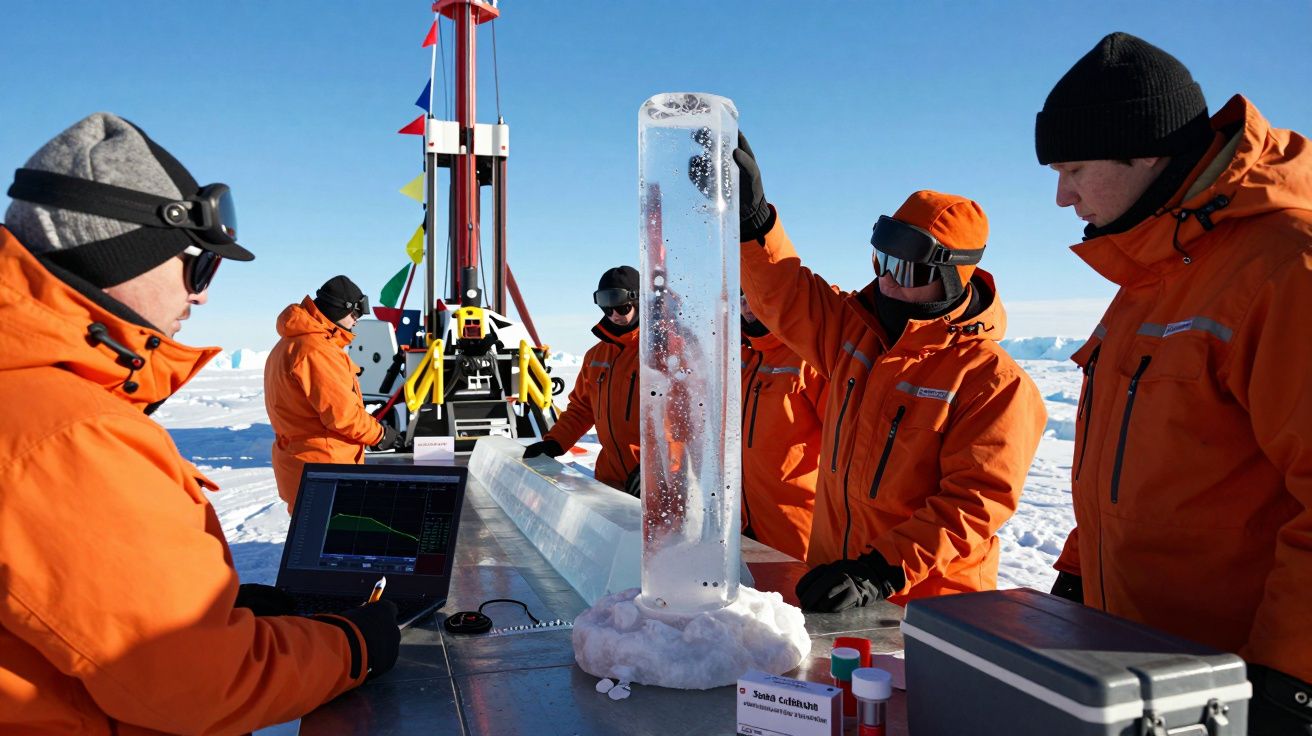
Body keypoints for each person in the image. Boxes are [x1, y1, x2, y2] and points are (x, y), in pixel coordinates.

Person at [0, 113, 399, 734]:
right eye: (198, 267)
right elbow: (202, 683)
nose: (203, 295)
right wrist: (354, 645)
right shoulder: (71, 435)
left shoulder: (32, 395)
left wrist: (217, 607)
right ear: (124, 257)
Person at [1036, 32, 1312, 733]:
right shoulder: (1151, 276)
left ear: (1146, 149)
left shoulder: (1285, 269)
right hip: (1139, 677)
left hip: (1234, 687)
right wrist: (1076, 578)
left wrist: (1290, 680)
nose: (1062, 196)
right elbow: (1134, 469)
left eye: (1073, 168)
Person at [727, 140, 1046, 612]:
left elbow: (974, 504)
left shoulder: (991, 381)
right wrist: (755, 225)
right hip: (834, 586)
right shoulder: (856, 338)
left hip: (931, 608)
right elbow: (787, 294)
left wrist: (881, 569)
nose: (888, 282)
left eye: (908, 270)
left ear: (955, 278)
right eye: (883, 262)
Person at [265, 274, 400, 507]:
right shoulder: (317, 350)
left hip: (302, 464)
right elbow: (343, 415)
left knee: (313, 538)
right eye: (355, 313)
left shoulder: (289, 345)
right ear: (339, 310)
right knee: (334, 539)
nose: (357, 321)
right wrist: (380, 435)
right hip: (326, 468)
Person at [524, 266, 641, 492]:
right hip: (610, 480)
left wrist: (655, 469)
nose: (614, 313)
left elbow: (685, 423)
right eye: (606, 307)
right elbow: (582, 408)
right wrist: (554, 443)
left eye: (621, 305)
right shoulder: (596, 356)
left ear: (638, 301)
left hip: (657, 483)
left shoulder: (662, 354)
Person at [740, 291, 826, 561]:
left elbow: (844, 442)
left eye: (753, 296)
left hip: (795, 522)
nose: (747, 307)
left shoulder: (807, 357)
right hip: (741, 520)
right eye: (741, 298)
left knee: (795, 600)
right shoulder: (740, 356)